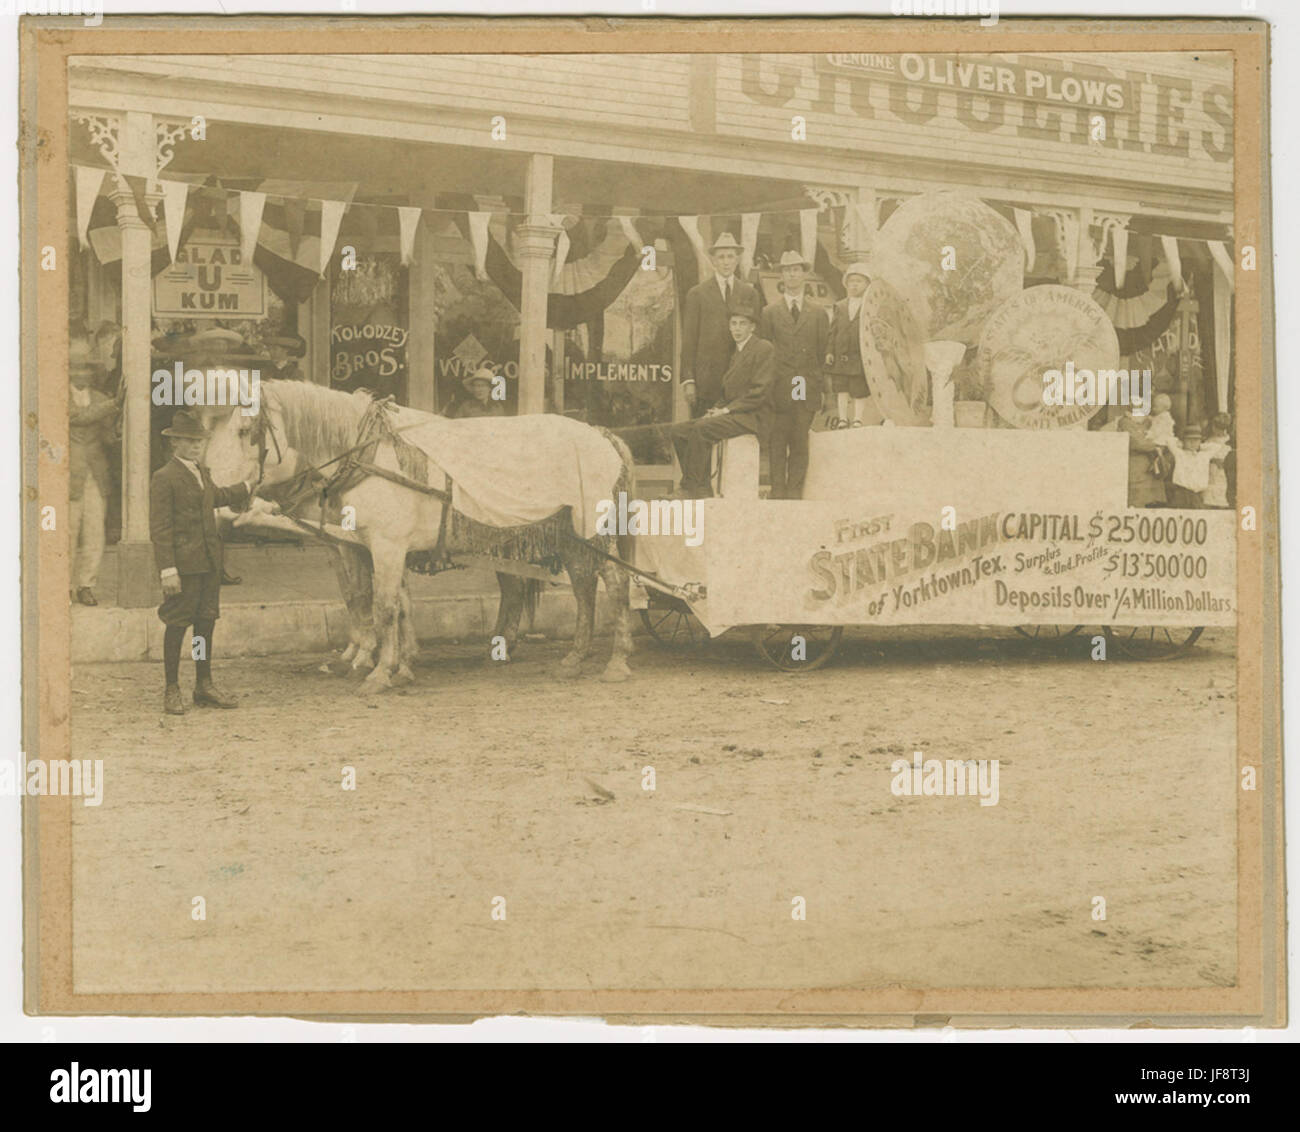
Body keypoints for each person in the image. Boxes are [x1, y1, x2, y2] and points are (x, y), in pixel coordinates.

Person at [150, 410, 255, 715]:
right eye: (189, 441)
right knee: (177, 624)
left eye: (199, 441)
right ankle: (172, 688)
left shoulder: (201, 472)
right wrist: (168, 569)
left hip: (209, 562)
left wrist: (246, 488)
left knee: (204, 624)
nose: (196, 446)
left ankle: (203, 684)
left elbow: (216, 496)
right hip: (183, 567)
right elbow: (160, 529)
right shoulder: (164, 477)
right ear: (175, 444)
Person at [671, 299, 774, 498]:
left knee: (702, 429)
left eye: (742, 324)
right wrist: (716, 410)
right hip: (736, 414)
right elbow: (727, 394)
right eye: (733, 323)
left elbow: (760, 392)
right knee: (679, 431)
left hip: (753, 416)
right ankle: (701, 486)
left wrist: (726, 411)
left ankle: (689, 487)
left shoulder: (763, 348)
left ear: (752, 327)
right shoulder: (736, 353)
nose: (737, 329)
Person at [758, 250, 829, 499]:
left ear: (804, 274)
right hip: (778, 391)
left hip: (806, 388)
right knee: (777, 444)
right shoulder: (769, 313)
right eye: (787, 270)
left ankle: (795, 494)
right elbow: (764, 354)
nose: (792, 274)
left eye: (796, 269)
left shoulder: (818, 314)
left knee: (800, 443)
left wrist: (818, 387)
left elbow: (821, 354)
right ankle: (778, 495)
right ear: (782, 275)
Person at [679, 233, 762, 419]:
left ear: (738, 259)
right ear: (713, 260)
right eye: (721, 257)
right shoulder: (697, 294)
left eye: (730, 256)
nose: (726, 262)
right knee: (702, 434)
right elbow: (689, 339)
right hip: (706, 382)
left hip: (740, 382)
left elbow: (756, 341)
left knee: (735, 440)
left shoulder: (749, 293)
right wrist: (688, 380)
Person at [69, 336, 122, 605]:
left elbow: (108, 438)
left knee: (94, 532)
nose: (83, 374)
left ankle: (85, 584)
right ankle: (61, 585)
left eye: (87, 369)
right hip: (67, 474)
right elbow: (79, 417)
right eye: (77, 368)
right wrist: (113, 405)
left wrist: (120, 427)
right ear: (67, 370)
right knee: (66, 531)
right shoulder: (58, 394)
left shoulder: (100, 397)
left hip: (96, 474)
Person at [825, 262, 872, 428]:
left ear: (867, 284)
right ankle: (843, 418)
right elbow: (833, 331)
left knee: (859, 388)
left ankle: (858, 418)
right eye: (851, 281)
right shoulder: (840, 306)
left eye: (858, 281)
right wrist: (830, 351)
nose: (854, 285)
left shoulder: (870, 307)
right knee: (841, 387)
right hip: (841, 354)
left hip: (859, 355)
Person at [1117, 401, 1166, 507]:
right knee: (1137, 504)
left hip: (1153, 472)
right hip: (1137, 470)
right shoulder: (1125, 422)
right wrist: (1157, 444)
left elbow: (1164, 435)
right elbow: (1137, 442)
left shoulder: (1150, 421)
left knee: (1153, 506)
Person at [1201, 414, 1233, 508]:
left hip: (1218, 467)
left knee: (1218, 484)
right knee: (1211, 485)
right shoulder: (1211, 440)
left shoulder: (1224, 441)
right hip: (1211, 466)